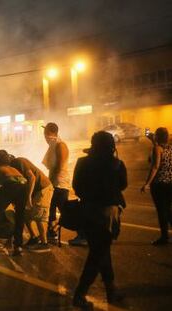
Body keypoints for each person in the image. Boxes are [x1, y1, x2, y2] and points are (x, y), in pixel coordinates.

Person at [72, 131, 127, 308]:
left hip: (87, 211)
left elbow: (76, 186)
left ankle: (111, 290)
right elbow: (123, 185)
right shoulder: (117, 164)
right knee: (98, 253)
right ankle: (80, 294)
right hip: (108, 213)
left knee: (101, 250)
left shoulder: (82, 162)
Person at [42, 122, 86, 245]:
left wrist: (52, 181)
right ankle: (51, 233)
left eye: (46, 134)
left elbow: (60, 166)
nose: (45, 138)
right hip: (54, 184)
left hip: (60, 185)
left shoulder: (60, 145)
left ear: (51, 133)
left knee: (66, 212)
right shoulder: (54, 145)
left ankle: (82, 233)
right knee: (50, 209)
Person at [10, 155, 54, 252]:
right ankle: (34, 237)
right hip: (36, 190)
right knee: (25, 214)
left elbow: (32, 178)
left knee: (39, 216)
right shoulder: (14, 166)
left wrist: (29, 197)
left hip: (43, 188)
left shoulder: (18, 162)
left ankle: (44, 243)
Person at [141, 127, 172, 245]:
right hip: (170, 183)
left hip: (160, 184)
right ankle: (165, 236)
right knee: (168, 210)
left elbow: (154, 166)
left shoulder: (157, 149)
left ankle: (164, 237)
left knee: (162, 211)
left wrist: (147, 184)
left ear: (157, 136)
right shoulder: (170, 148)